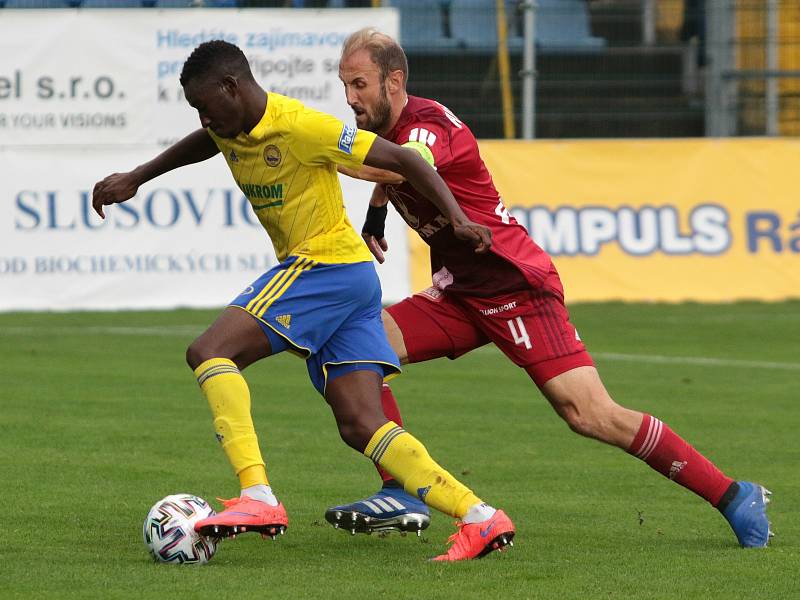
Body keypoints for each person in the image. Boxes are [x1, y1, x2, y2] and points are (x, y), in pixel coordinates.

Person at [327, 27, 772, 552]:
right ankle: (401, 489)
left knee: (590, 415)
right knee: (359, 345)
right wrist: (376, 216)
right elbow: (391, 170)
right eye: (345, 85)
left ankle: (733, 495)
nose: (351, 97)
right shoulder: (396, 130)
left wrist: (312, 150)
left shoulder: (426, 127)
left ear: (394, 81)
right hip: (460, 291)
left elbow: (407, 163)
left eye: (359, 84)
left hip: (515, 286)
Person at [91, 39, 515, 562]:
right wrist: (137, 177)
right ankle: (480, 516)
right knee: (361, 422)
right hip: (352, 282)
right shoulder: (226, 128)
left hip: (326, 266)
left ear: (232, 86)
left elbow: (404, 157)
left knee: (209, 352)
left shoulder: (301, 126)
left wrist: (456, 218)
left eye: (205, 105)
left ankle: (257, 496)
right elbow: (204, 142)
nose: (203, 118)